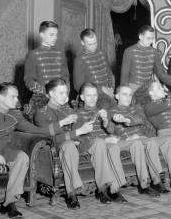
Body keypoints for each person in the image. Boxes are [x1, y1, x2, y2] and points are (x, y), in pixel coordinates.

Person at [0, 82, 64, 219]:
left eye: (17, 97)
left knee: (22, 157)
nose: (17, 100)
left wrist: (61, 125)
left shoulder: (15, 115)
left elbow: (35, 130)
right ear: (1, 96)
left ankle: (9, 203)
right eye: (13, 97)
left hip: (3, 150)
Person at [34, 79, 115, 209]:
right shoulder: (41, 113)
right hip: (57, 148)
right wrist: (76, 132)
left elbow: (82, 128)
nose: (65, 96)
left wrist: (100, 120)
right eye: (61, 93)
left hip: (78, 144)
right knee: (69, 145)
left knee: (99, 142)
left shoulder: (69, 111)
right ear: (51, 93)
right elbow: (48, 138)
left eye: (66, 92)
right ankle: (71, 194)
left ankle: (102, 189)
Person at [110, 85, 171, 196]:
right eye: (124, 94)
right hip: (126, 141)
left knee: (167, 140)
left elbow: (140, 119)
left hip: (141, 139)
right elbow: (110, 129)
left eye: (130, 95)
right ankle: (148, 183)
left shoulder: (136, 108)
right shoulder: (111, 111)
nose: (128, 97)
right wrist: (125, 136)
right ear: (116, 96)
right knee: (145, 142)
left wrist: (127, 120)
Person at [73, 82, 129, 204]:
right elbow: (79, 136)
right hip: (88, 144)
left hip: (103, 143)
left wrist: (105, 121)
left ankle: (114, 189)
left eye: (94, 95)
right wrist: (104, 140)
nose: (92, 98)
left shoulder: (102, 111)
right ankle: (102, 189)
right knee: (99, 143)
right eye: (89, 95)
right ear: (82, 97)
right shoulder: (77, 113)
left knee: (113, 148)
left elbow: (110, 130)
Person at [120, 25, 171, 105]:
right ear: (140, 36)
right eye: (148, 38)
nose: (151, 41)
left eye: (152, 38)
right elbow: (124, 77)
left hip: (148, 90)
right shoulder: (129, 51)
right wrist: (125, 95)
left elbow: (161, 74)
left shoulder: (154, 52)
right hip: (133, 90)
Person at [24, 20, 69, 112]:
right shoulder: (33, 54)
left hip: (60, 97)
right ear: (42, 35)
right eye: (51, 35)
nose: (55, 38)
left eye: (56, 35)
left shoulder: (60, 54)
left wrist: (65, 93)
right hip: (42, 98)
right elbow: (29, 80)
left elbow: (66, 77)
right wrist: (46, 93)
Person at [73, 28, 115, 107]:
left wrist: (111, 88)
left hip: (108, 94)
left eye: (95, 43)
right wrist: (102, 89)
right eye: (90, 44)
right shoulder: (79, 59)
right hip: (92, 97)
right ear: (82, 43)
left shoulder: (102, 53)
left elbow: (109, 73)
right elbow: (78, 86)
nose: (94, 46)